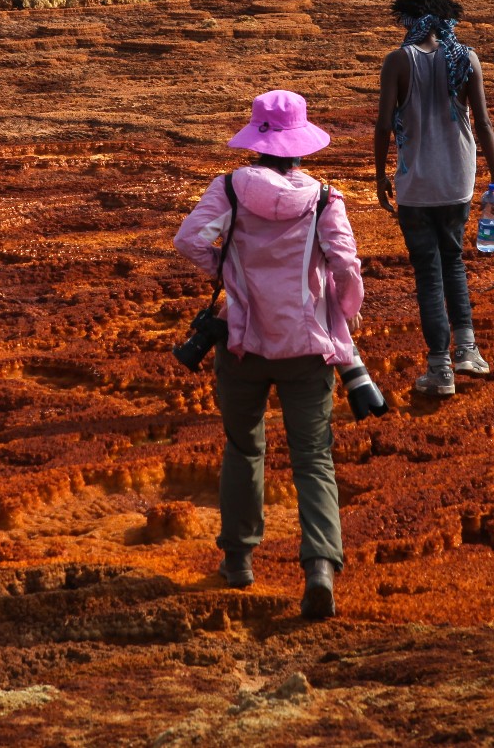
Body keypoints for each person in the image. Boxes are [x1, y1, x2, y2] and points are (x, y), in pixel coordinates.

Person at [173, 89, 363, 619]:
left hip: (241, 343)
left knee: (243, 448)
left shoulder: (230, 188)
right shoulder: (325, 199)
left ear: (257, 140)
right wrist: (343, 313)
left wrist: (227, 272)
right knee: (313, 458)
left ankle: (238, 561)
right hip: (306, 349)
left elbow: (189, 240)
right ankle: (320, 568)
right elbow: (346, 265)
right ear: (300, 145)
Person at [374, 0, 494, 398]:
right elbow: (482, 123)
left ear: (408, 22)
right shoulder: (466, 58)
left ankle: (440, 370)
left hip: (415, 183)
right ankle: (468, 351)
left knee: (428, 273)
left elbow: (382, 125)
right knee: (453, 262)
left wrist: (380, 178)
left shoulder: (398, 61)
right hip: (458, 180)